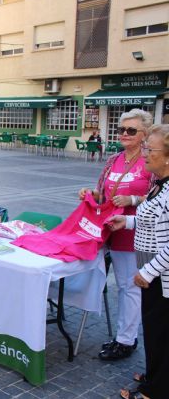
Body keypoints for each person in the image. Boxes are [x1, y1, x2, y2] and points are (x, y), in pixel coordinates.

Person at [78, 109, 154, 361]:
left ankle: (126, 339)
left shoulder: (151, 161)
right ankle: (121, 334)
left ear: (144, 134)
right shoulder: (114, 160)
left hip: (135, 233)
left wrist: (133, 198)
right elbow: (104, 194)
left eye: (131, 130)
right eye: (121, 129)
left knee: (128, 287)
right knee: (107, 282)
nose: (124, 134)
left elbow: (160, 198)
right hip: (107, 230)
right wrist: (91, 194)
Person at [108, 124, 169, 399]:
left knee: (161, 334)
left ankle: (153, 392)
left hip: (160, 276)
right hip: (152, 273)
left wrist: (148, 271)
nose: (145, 154)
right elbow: (151, 220)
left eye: (150, 149)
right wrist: (128, 221)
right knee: (155, 332)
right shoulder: (160, 184)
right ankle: (155, 376)